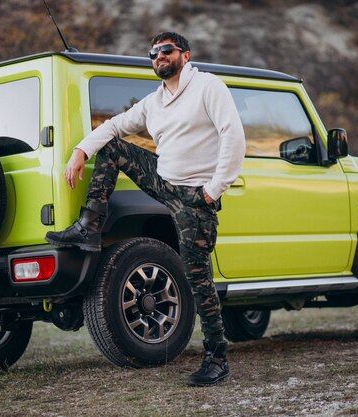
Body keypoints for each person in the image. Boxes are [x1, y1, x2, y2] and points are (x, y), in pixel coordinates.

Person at [45, 32, 246, 386]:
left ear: (185, 54)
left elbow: (233, 136)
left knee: (197, 278)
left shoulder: (207, 87)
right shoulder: (154, 102)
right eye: (153, 53)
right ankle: (88, 226)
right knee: (111, 146)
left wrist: (214, 190)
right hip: (162, 180)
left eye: (165, 51)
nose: (158, 57)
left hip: (194, 196)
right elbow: (113, 126)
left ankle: (217, 358)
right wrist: (80, 151)